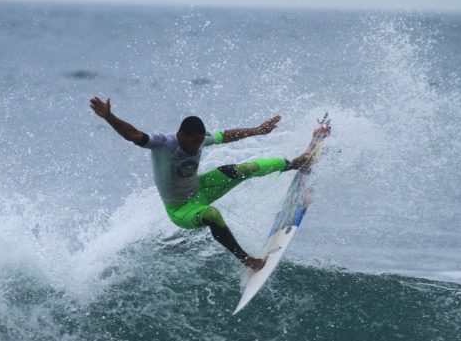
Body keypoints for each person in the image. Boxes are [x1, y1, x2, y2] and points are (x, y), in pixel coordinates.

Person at [90, 96, 313, 271]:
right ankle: (246, 260)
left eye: (200, 141)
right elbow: (133, 135)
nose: (198, 146)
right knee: (212, 214)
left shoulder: (199, 139)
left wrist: (258, 130)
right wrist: (109, 116)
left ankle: (294, 163)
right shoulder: (163, 144)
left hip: (200, 188)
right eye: (194, 142)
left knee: (243, 169)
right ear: (181, 135)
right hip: (181, 208)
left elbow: (226, 135)